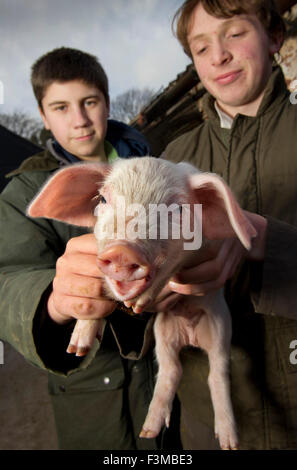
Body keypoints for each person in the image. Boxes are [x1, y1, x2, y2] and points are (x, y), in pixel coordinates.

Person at [0, 47, 181, 450]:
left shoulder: (161, 172)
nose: (79, 120)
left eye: (89, 102)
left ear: (107, 103)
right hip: (90, 397)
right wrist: (52, 301)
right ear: (44, 117)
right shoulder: (27, 193)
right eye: (61, 107)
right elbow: (8, 278)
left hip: (164, 379)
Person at [162, 0, 297, 450]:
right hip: (206, 424)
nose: (217, 55)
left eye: (235, 33)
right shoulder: (170, 162)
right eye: (201, 47)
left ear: (275, 37)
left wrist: (266, 242)